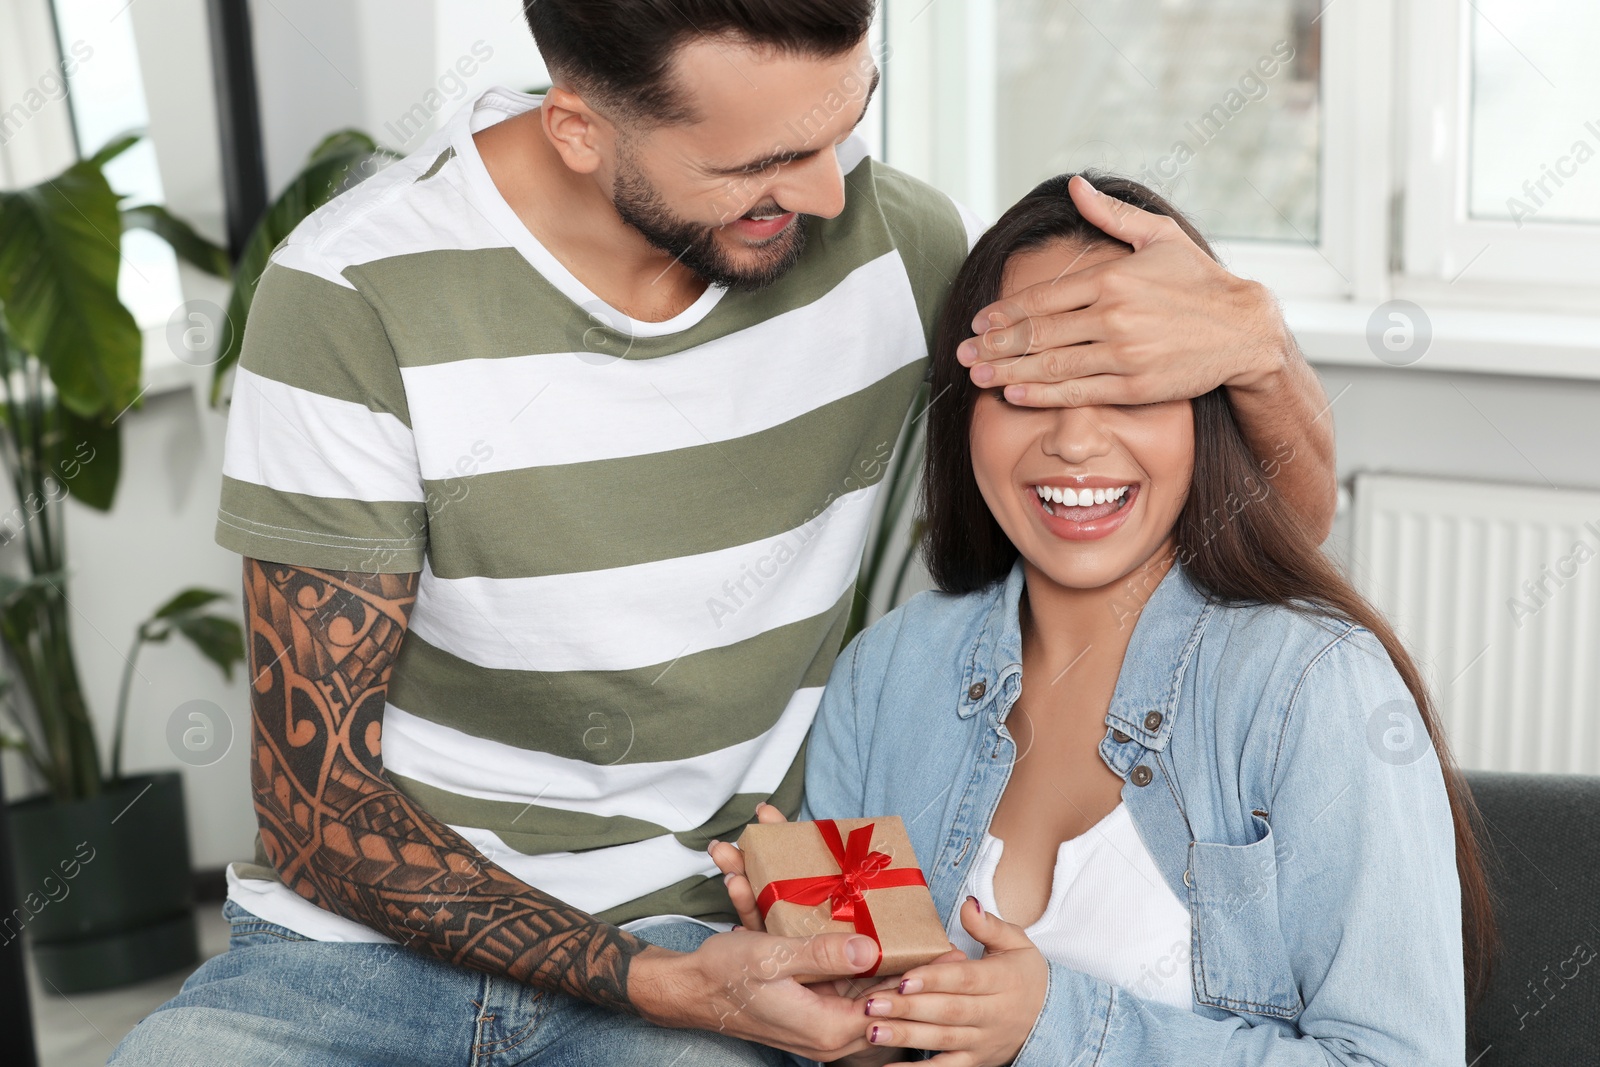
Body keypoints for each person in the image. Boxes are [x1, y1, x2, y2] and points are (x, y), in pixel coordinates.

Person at [110, 1, 1339, 1062]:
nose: (825, 190)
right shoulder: (353, 295)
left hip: (710, 936)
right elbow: (315, 805)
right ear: (581, 125)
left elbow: (1256, 543)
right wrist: (659, 984)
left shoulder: (892, 248)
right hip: (358, 955)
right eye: (765, 161)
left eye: (846, 119)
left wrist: (1250, 347)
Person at [713, 174, 1494, 1065]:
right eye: (1027, 389)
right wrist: (844, 1006)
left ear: (1206, 415)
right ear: (965, 417)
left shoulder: (1315, 687)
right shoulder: (889, 673)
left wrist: (1057, 1028)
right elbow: (872, 1049)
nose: (1076, 441)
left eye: (1125, 387)